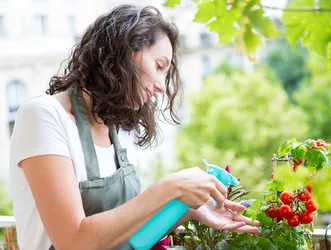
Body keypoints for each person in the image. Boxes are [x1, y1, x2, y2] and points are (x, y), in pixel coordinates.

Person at [9, 4, 260, 250]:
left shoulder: (122, 128)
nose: (162, 85)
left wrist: (186, 210)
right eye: (159, 66)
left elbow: (128, 236)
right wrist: (168, 189)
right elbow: (74, 241)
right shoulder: (43, 116)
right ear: (125, 52)